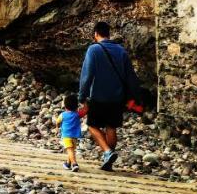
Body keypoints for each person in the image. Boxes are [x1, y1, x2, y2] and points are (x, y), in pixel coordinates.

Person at [78, 20, 140, 171]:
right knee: (111, 127)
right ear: (109, 34)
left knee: (92, 125)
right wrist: (135, 96)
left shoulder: (93, 50)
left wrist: (82, 96)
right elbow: (130, 76)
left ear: (96, 34)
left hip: (98, 96)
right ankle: (108, 163)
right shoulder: (121, 51)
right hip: (117, 98)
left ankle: (107, 152)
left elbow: (87, 75)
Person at [55, 93, 84, 171]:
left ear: (65, 106)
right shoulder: (77, 114)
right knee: (71, 150)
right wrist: (86, 103)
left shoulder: (63, 115)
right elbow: (85, 111)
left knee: (70, 150)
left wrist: (57, 128)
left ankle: (74, 164)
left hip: (66, 136)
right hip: (75, 136)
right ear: (76, 106)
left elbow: (57, 122)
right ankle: (68, 163)